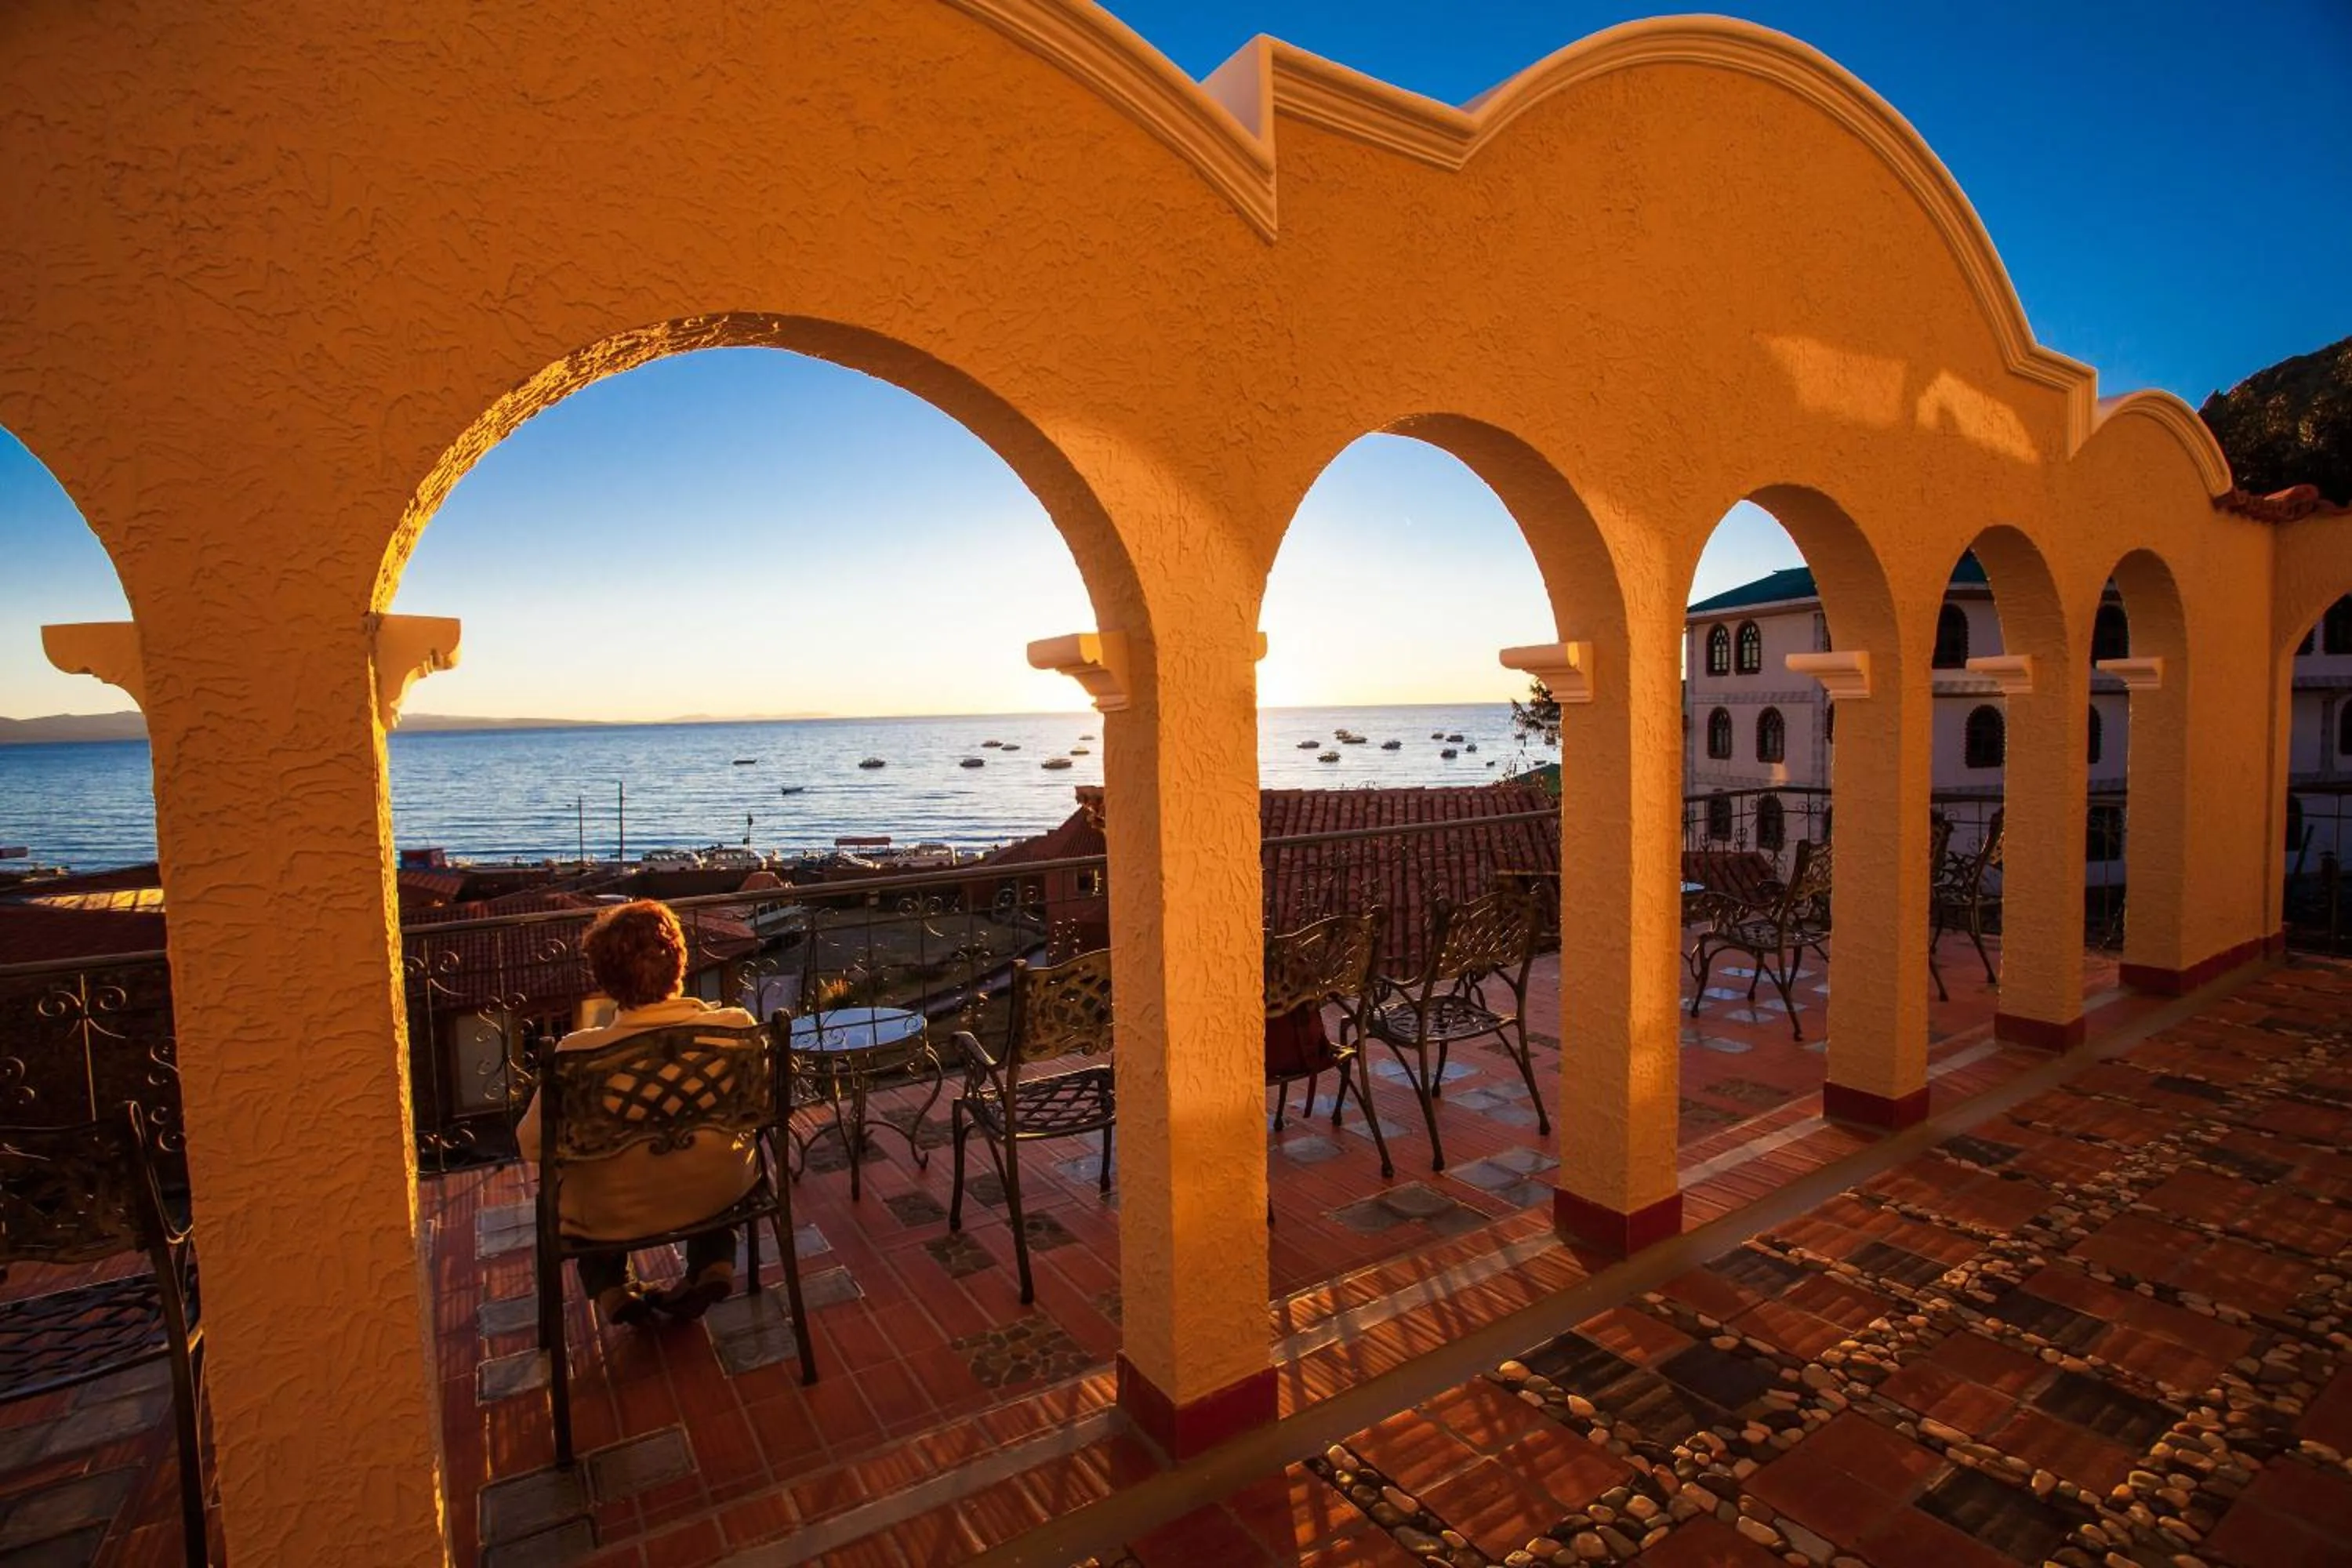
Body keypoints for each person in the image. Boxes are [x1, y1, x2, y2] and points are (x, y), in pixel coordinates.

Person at [516, 899, 762, 1327]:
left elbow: (532, 1144)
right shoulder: (735, 1028)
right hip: (720, 1191)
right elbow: (759, 1107)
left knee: (580, 1184)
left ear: (605, 979)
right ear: (680, 962)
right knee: (704, 1157)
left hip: (616, 1212)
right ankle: (715, 1262)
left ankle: (612, 1288)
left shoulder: (577, 1055)